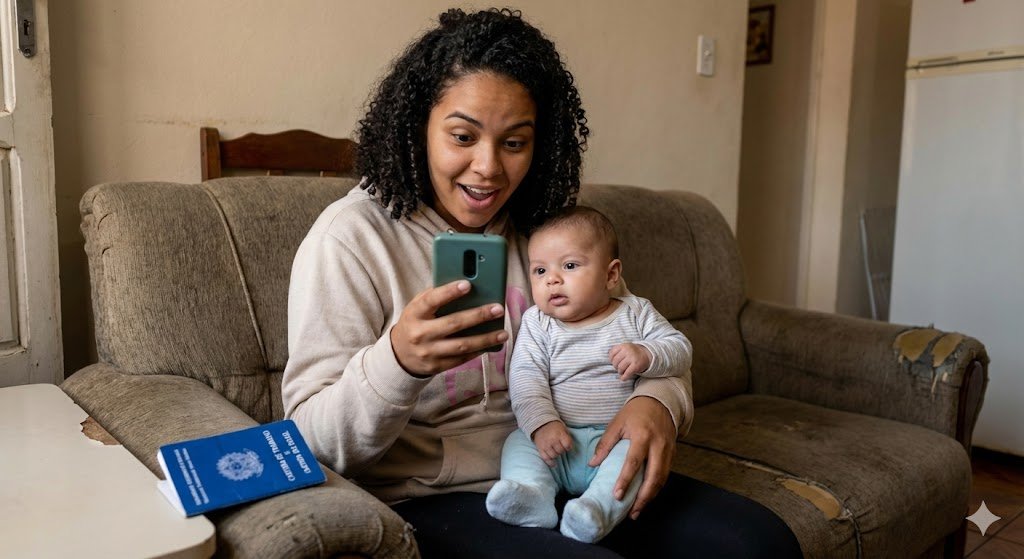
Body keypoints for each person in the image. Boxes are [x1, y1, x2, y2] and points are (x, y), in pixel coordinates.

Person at [282, 7, 802, 558]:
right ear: (418, 127)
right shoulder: (351, 239)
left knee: (758, 544)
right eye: (462, 136)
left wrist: (659, 404)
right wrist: (398, 360)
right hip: (431, 498)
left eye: (514, 143)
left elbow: (638, 331)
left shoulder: (547, 230)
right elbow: (311, 442)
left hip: (576, 464)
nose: (488, 168)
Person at [485, 207, 692, 544]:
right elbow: (526, 377)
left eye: (569, 266)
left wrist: (648, 354)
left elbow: (680, 349)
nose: (552, 279)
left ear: (611, 276)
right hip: (557, 440)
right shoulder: (539, 324)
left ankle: (595, 511)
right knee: (518, 442)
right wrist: (541, 424)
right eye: (539, 270)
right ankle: (533, 496)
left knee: (633, 458)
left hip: (614, 441)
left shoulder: (635, 312)